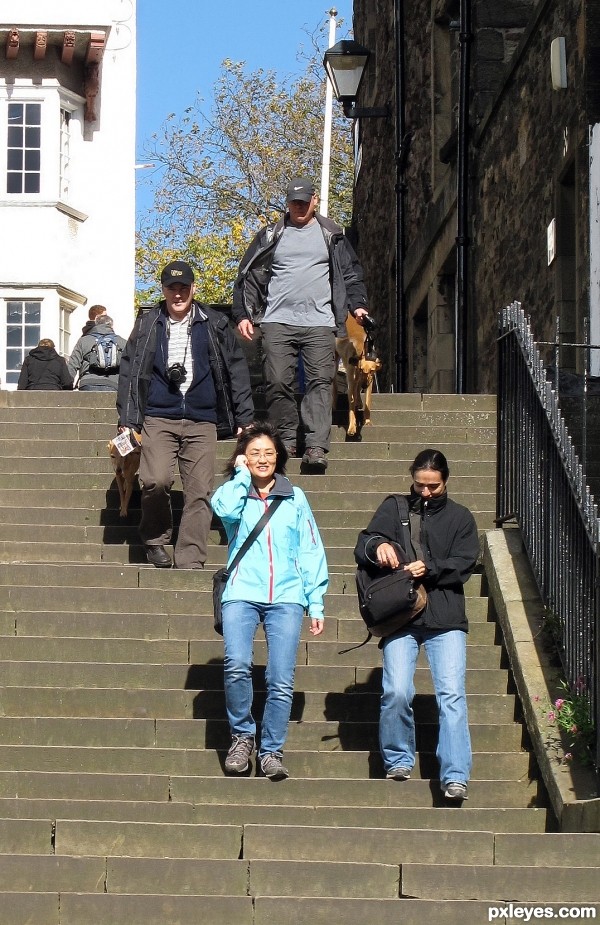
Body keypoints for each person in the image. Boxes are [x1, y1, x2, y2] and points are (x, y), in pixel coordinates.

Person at [354, 448, 479, 801]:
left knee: (452, 695)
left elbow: (466, 563)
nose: (425, 492)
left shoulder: (461, 517)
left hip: (445, 614)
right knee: (395, 690)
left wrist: (431, 567)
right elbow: (363, 542)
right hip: (400, 615)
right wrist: (378, 546)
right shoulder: (393, 507)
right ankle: (397, 757)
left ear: (445, 481)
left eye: (433, 487)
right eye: (420, 485)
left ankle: (455, 774)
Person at [116, 259, 254, 570]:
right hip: (158, 415)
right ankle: (154, 540)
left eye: (183, 288)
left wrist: (244, 417)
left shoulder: (215, 323)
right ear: (163, 290)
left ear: (193, 288)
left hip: (201, 417)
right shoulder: (148, 323)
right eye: (171, 288)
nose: (177, 294)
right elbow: (129, 370)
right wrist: (127, 419)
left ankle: (190, 557)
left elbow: (236, 371)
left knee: (199, 493)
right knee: (155, 480)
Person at [211, 421, 328, 780]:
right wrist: (241, 478)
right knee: (236, 663)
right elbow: (223, 510)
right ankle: (243, 736)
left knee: (280, 677)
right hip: (242, 592)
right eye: (254, 453)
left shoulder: (295, 496)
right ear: (242, 458)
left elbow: (309, 549)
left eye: (269, 453)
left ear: (279, 457)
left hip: (287, 596)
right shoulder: (234, 492)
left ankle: (272, 749)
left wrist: (316, 600)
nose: (262, 459)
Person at [232, 176, 369, 470]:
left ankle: (316, 445)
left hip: (320, 322)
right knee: (278, 380)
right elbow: (246, 276)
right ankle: (285, 439)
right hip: (277, 320)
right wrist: (243, 314)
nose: (298, 207)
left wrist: (358, 305)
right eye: (293, 202)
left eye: (304, 202)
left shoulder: (331, 233)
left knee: (321, 381)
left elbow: (351, 273)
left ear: (314, 201)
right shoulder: (270, 235)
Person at [68, 314, 126, 392]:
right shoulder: (122, 342)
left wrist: (68, 385)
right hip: (113, 384)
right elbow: (128, 367)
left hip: (87, 383)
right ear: (111, 326)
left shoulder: (83, 340)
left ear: (96, 324)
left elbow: (73, 364)